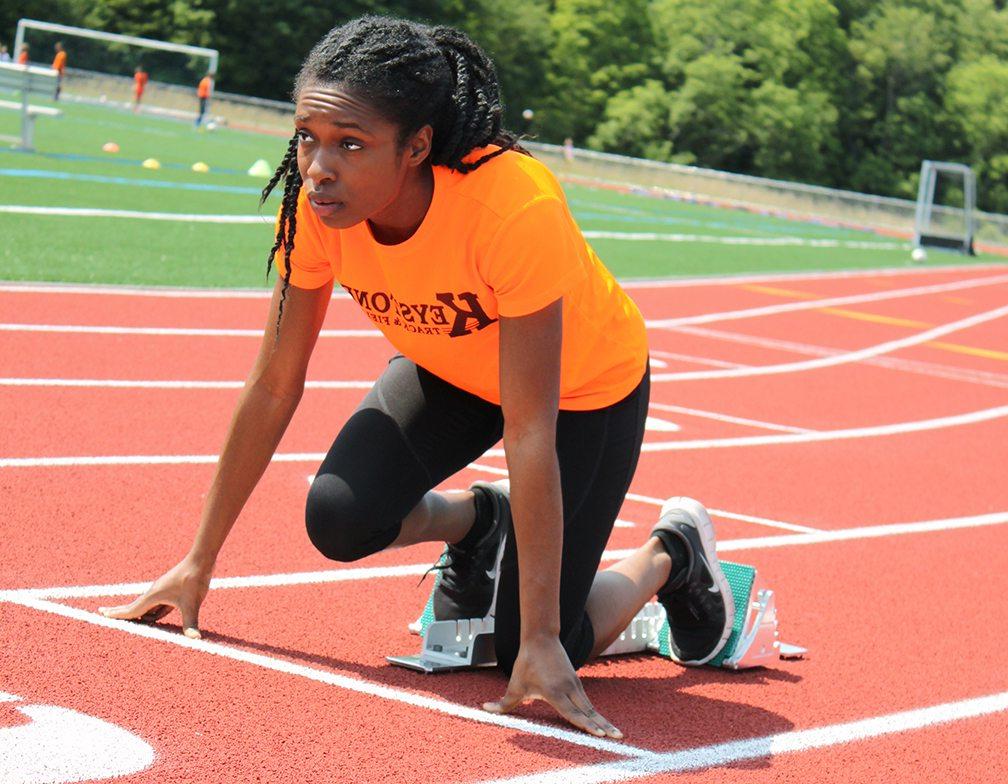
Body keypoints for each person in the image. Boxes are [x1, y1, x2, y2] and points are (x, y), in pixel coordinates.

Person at [99, 16, 733, 739]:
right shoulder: (316, 212)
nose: (317, 168)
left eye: (350, 144)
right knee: (339, 516)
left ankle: (670, 554)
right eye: (306, 137)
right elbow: (276, 380)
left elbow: (529, 430)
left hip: (582, 387)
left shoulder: (512, 206)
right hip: (450, 367)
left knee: (541, 642)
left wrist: (539, 638)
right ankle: (481, 522)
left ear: (417, 147)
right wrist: (197, 561)